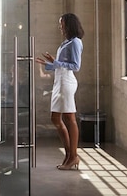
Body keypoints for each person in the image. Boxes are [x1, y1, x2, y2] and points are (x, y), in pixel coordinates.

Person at [35, 13, 84, 171]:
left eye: (61, 23)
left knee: (69, 117)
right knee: (56, 118)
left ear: (68, 24)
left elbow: (75, 66)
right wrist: (49, 63)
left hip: (66, 82)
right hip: (59, 81)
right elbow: (62, 63)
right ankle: (69, 154)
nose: (59, 26)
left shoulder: (75, 42)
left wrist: (55, 62)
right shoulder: (66, 42)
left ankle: (73, 155)